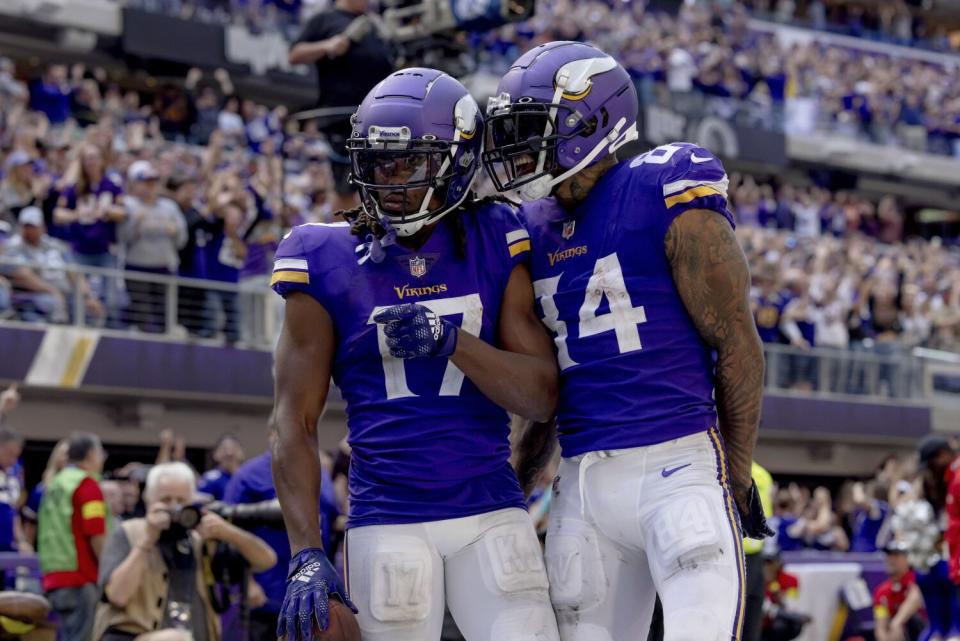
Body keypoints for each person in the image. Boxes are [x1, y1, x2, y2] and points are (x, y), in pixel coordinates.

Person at [483, 41, 770, 640]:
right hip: (583, 483)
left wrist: (734, 477)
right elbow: (554, 379)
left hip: (681, 466)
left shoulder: (665, 185)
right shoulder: (531, 226)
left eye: (532, 128)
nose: (518, 146)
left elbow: (738, 345)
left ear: (591, 123)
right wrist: (520, 480)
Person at [271, 68, 561, 641]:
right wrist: (305, 552)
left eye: (410, 162)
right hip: (388, 517)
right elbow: (293, 421)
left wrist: (454, 342)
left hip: (490, 510)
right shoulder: (323, 256)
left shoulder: (498, 234)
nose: (390, 180)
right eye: (378, 163)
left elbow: (542, 394)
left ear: (458, 160)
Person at [94, 462, 276, 641]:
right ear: (148, 499)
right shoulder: (129, 532)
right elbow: (117, 597)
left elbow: (266, 560)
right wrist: (147, 541)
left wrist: (227, 532)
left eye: (181, 501)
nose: (175, 508)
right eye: (165, 500)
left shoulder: (200, 540)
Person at [288, 0, 393, 212]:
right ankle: (344, 239)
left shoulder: (376, 23)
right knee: (346, 188)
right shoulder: (325, 20)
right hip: (344, 119)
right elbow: (294, 54)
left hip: (381, 116)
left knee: (383, 182)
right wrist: (327, 46)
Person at [37, 433, 108, 641]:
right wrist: (110, 571)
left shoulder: (53, 485)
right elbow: (95, 533)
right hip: (81, 578)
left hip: (53, 577)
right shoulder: (86, 485)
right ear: (91, 455)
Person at [3, 206, 104, 323]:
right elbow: (22, 275)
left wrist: (88, 296)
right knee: (49, 303)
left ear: (42, 227)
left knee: (88, 307)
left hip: (66, 294)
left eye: (33, 226)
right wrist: (52, 291)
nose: (30, 230)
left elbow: (74, 272)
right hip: (35, 295)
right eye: (27, 226)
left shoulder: (56, 245)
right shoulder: (14, 247)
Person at [119, 161, 187, 333]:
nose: (150, 187)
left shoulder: (169, 207)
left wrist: (174, 230)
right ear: (135, 184)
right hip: (137, 267)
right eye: (145, 182)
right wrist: (136, 223)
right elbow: (122, 237)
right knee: (142, 315)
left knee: (166, 314)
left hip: (164, 267)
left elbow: (182, 239)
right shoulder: (128, 205)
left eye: (153, 182)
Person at [21, 438, 69, 549]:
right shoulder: (42, 489)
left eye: (71, 455)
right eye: (64, 454)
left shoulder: (86, 489)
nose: (67, 459)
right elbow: (30, 524)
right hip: (49, 550)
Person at [874, 541, 925, 641]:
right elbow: (880, 627)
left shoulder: (918, 579)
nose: (891, 560)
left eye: (896, 555)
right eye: (889, 555)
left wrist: (896, 623)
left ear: (908, 559)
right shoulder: (882, 591)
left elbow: (915, 598)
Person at [197, 435, 244, 502]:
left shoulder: (247, 478)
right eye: (224, 449)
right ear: (216, 454)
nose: (229, 453)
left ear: (241, 453)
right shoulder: (210, 479)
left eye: (234, 448)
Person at [0, 428, 25, 555]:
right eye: (10, 454)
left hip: (7, 547)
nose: (13, 460)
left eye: (16, 456)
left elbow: (13, 512)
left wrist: (22, 541)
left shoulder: (14, 474)